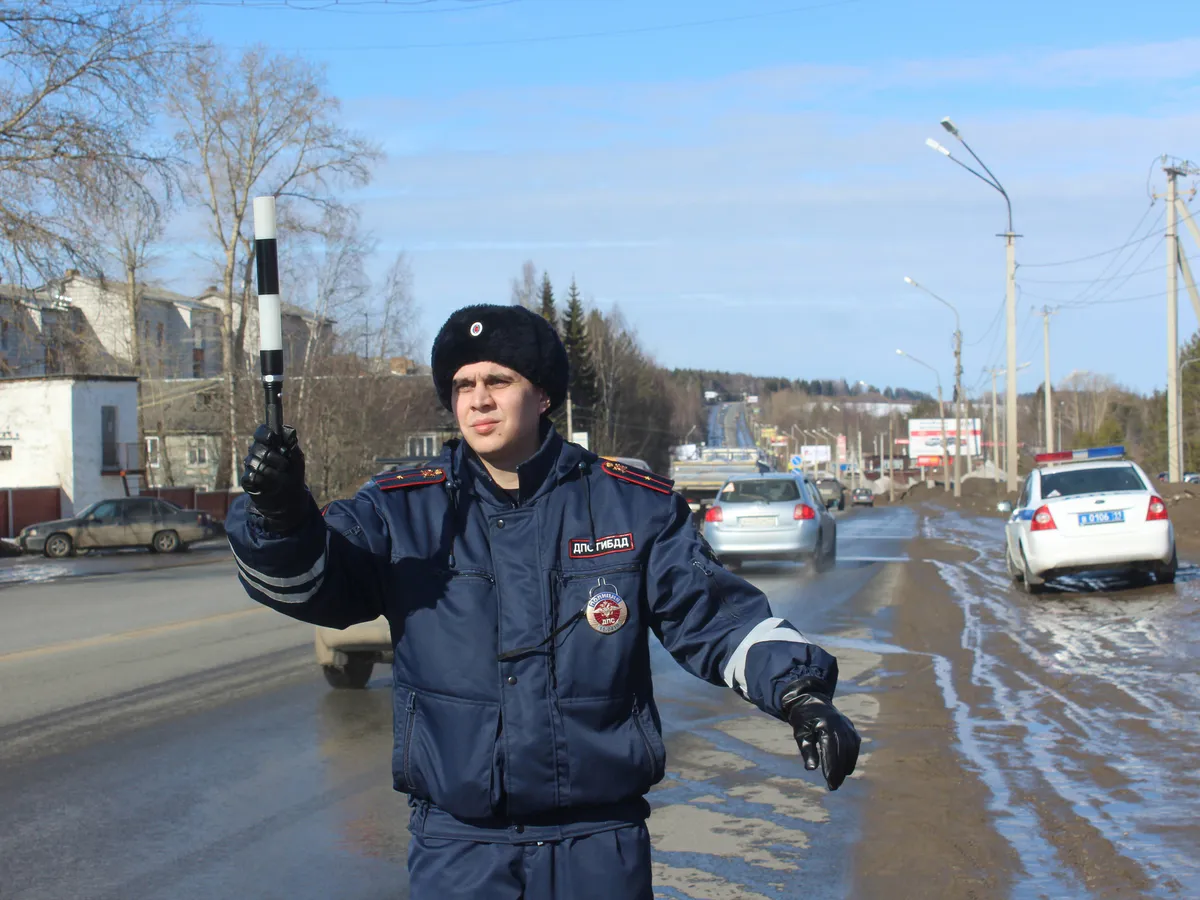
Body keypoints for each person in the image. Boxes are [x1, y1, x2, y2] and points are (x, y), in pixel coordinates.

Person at [228, 303, 859, 899]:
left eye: (498, 380)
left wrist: (799, 694)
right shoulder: (403, 509)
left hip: (597, 845)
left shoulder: (630, 506)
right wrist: (280, 516)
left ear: (544, 394)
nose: (477, 398)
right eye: (462, 384)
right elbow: (314, 588)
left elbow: (716, 620)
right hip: (459, 848)